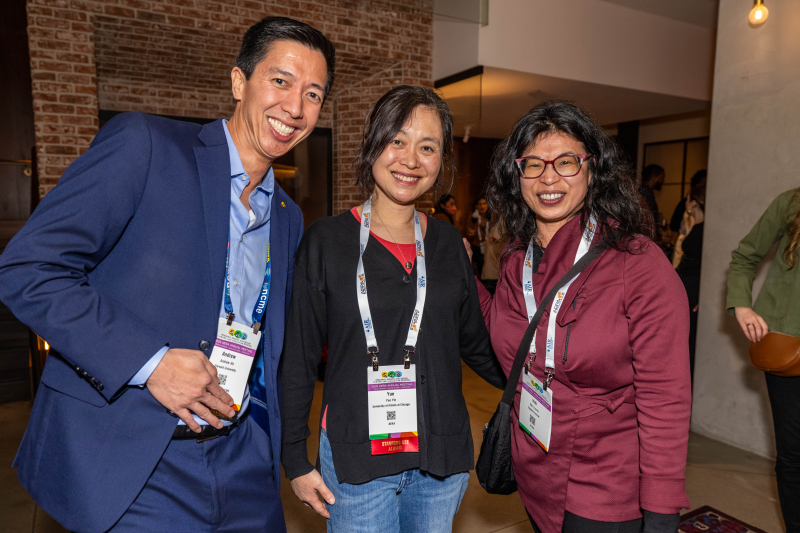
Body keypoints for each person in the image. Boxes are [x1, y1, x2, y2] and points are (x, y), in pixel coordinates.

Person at [0, 16, 334, 532]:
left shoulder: (288, 216)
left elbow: (272, 347)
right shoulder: (147, 145)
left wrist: (286, 453)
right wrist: (149, 362)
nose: (295, 107)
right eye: (281, 81)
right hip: (134, 464)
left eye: (313, 94)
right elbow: (29, 268)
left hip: (242, 458)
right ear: (239, 82)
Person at [281, 85, 506, 533]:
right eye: (397, 141)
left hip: (441, 458)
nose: (410, 159)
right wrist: (294, 457)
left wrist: (541, 385)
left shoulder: (447, 245)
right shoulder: (326, 241)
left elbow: (476, 343)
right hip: (356, 457)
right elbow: (299, 357)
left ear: (441, 161)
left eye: (428, 147)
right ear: (373, 145)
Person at [478, 101, 691, 533]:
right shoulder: (516, 258)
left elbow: (665, 399)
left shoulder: (637, 264)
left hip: (606, 489)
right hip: (534, 472)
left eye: (567, 162)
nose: (549, 177)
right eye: (533, 164)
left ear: (593, 170)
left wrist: (663, 512)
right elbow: (502, 338)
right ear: (516, 177)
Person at [727, 188, 800, 533]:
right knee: (793, 457)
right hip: (790, 351)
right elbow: (744, 256)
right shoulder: (791, 203)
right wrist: (741, 304)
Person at [677, 187, 705, 382]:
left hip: (694, 289)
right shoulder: (698, 226)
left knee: (690, 342)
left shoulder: (705, 229)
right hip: (687, 287)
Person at [467, 196, 490, 276]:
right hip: (477, 246)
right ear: (476, 206)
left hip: (489, 247)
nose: (482, 206)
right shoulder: (473, 217)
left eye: (484, 203)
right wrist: (470, 233)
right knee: (479, 270)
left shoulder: (492, 217)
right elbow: (468, 233)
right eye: (479, 204)